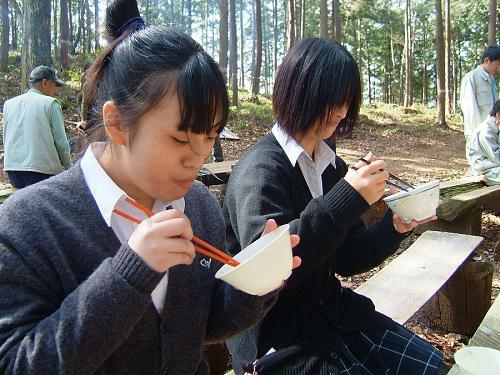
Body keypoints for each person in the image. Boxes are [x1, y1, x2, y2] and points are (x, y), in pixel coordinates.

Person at [0, 2, 300, 373]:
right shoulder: (27, 223)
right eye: (180, 139)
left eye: (210, 137)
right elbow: (18, 363)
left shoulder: (199, 206)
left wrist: (257, 284)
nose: (199, 158)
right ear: (117, 124)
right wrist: (130, 273)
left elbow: (199, 326)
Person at [223, 38, 446, 375]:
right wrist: (345, 201)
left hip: (336, 319)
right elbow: (271, 274)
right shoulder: (260, 170)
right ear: (299, 92)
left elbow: (349, 259)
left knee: (434, 368)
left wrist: (395, 225)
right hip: (280, 342)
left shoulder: (331, 167)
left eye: (346, 100)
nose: (341, 111)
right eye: (332, 99)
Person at [2, 65, 71, 188]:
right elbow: (61, 142)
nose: (55, 90)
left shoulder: (9, 104)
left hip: (14, 174)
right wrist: (68, 167)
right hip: (41, 173)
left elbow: (5, 137)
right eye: (54, 85)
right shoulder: (50, 104)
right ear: (45, 83)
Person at [460, 45, 500, 141]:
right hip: (479, 136)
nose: (499, 68)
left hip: (493, 133)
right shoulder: (471, 78)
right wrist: (476, 136)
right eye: (498, 64)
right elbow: (470, 111)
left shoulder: (492, 81)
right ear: (486, 60)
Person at [466, 99, 500, 185]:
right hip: (486, 170)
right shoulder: (485, 132)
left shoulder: (495, 128)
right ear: (498, 115)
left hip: (493, 166)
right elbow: (497, 158)